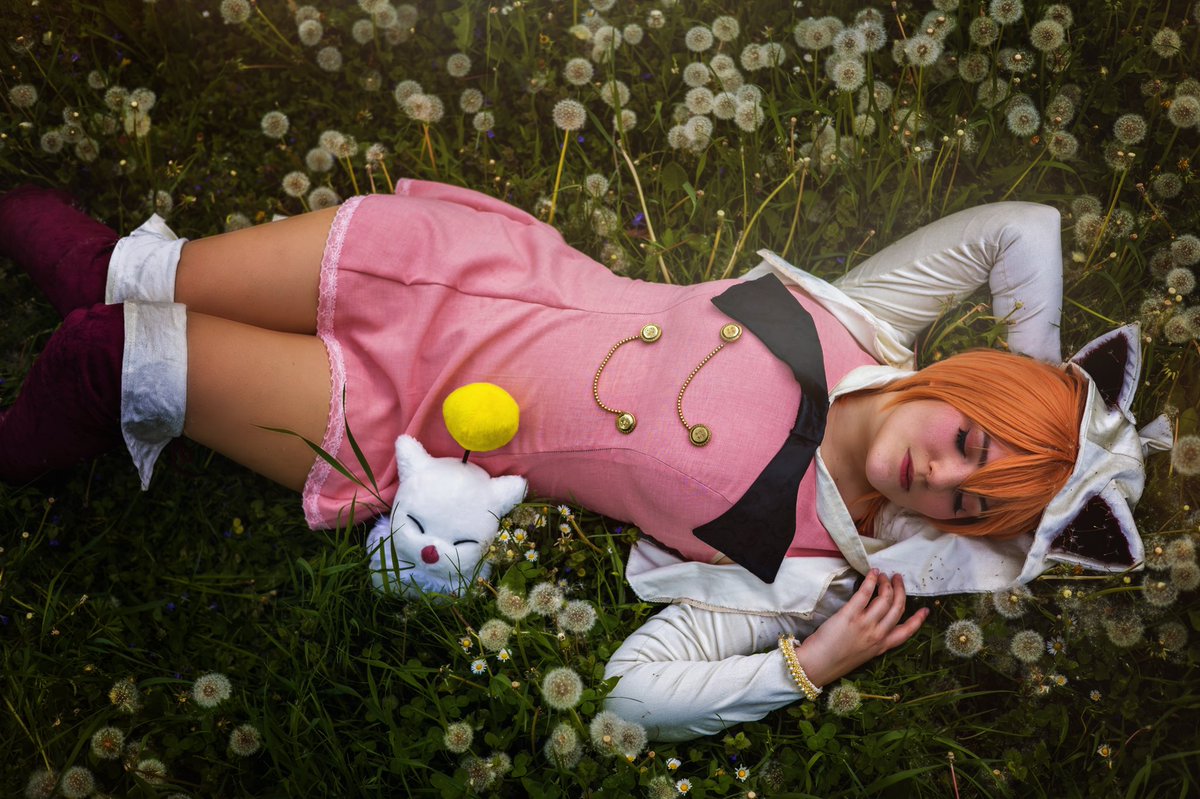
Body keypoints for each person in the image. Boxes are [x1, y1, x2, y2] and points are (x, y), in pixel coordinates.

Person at [0, 180, 1166, 741]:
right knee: (124, 278)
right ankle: (107, 272)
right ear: (971, 383)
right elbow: (1024, 229)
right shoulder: (866, 319)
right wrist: (1043, 394)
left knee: (114, 352)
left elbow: (629, 693)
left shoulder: (799, 564)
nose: (938, 479)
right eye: (970, 441)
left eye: (967, 506)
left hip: (414, 422)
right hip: (461, 274)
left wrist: (809, 664)